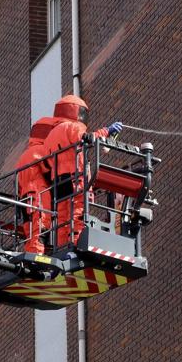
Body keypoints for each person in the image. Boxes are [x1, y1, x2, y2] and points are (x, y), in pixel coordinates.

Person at [42, 95, 123, 248]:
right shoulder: (73, 126)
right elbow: (87, 138)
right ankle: (76, 242)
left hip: (57, 181)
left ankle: (61, 245)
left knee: (62, 215)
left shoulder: (50, 135)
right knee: (77, 210)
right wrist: (107, 131)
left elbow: (45, 162)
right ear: (76, 112)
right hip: (74, 176)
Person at [15, 117, 59, 254]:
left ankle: (31, 251)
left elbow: (17, 183)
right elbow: (52, 170)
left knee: (30, 229)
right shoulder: (42, 150)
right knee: (41, 225)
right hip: (39, 194)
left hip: (24, 198)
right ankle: (37, 253)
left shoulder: (23, 157)